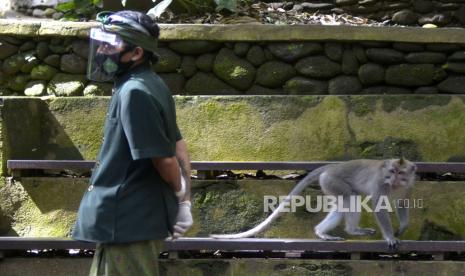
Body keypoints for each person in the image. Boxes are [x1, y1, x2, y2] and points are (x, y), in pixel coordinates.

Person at [73, 10, 193, 276]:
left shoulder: (134, 91)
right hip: (130, 222)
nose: (102, 50)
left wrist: (180, 195)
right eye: (101, 42)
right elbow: (178, 143)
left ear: (136, 53)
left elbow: (165, 158)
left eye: (110, 44)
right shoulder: (152, 83)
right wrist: (184, 202)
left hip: (128, 221)